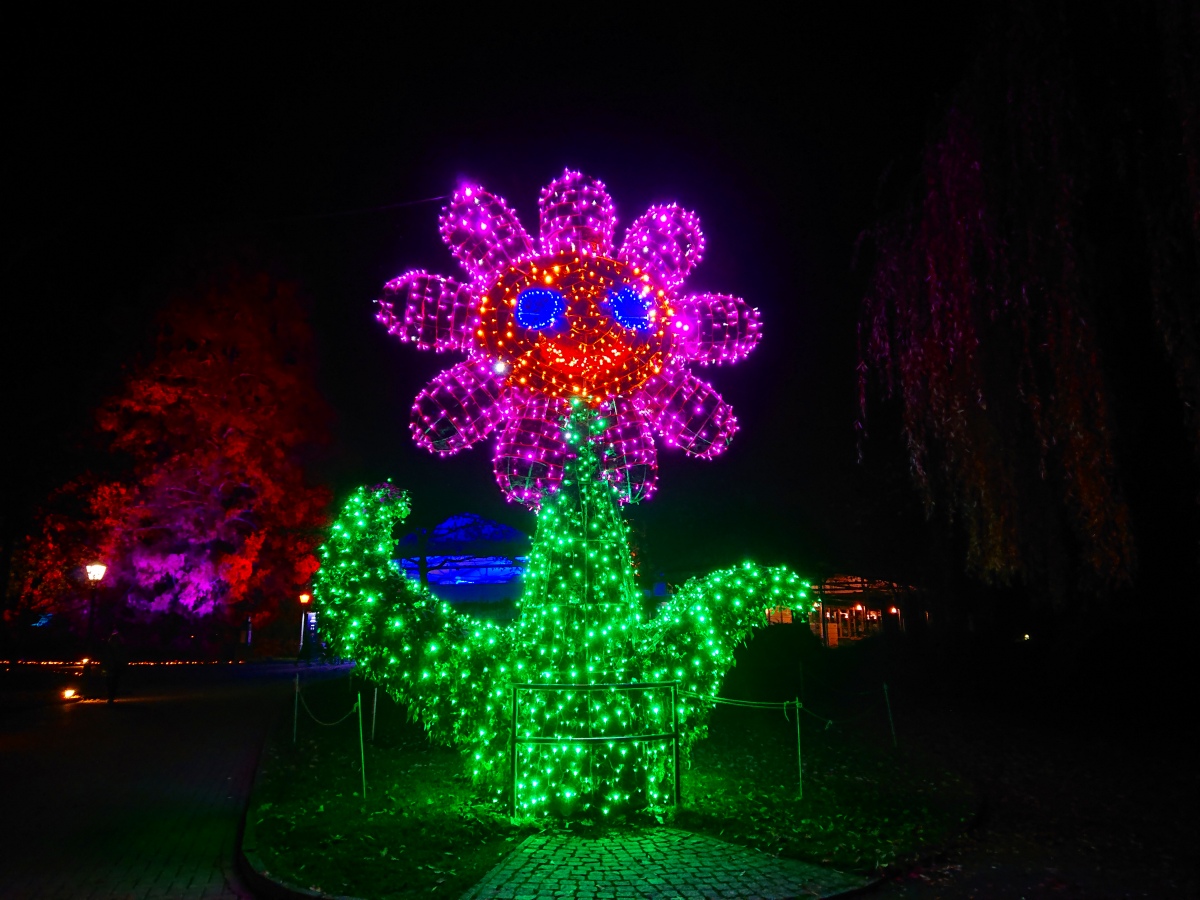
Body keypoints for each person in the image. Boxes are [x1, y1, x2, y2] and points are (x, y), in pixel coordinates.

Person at [102, 629, 128, 704]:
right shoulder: (110, 648)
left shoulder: (116, 648)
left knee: (113, 682)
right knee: (110, 682)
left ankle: (111, 697)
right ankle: (110, 697)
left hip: (114, 667)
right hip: (111, 667)